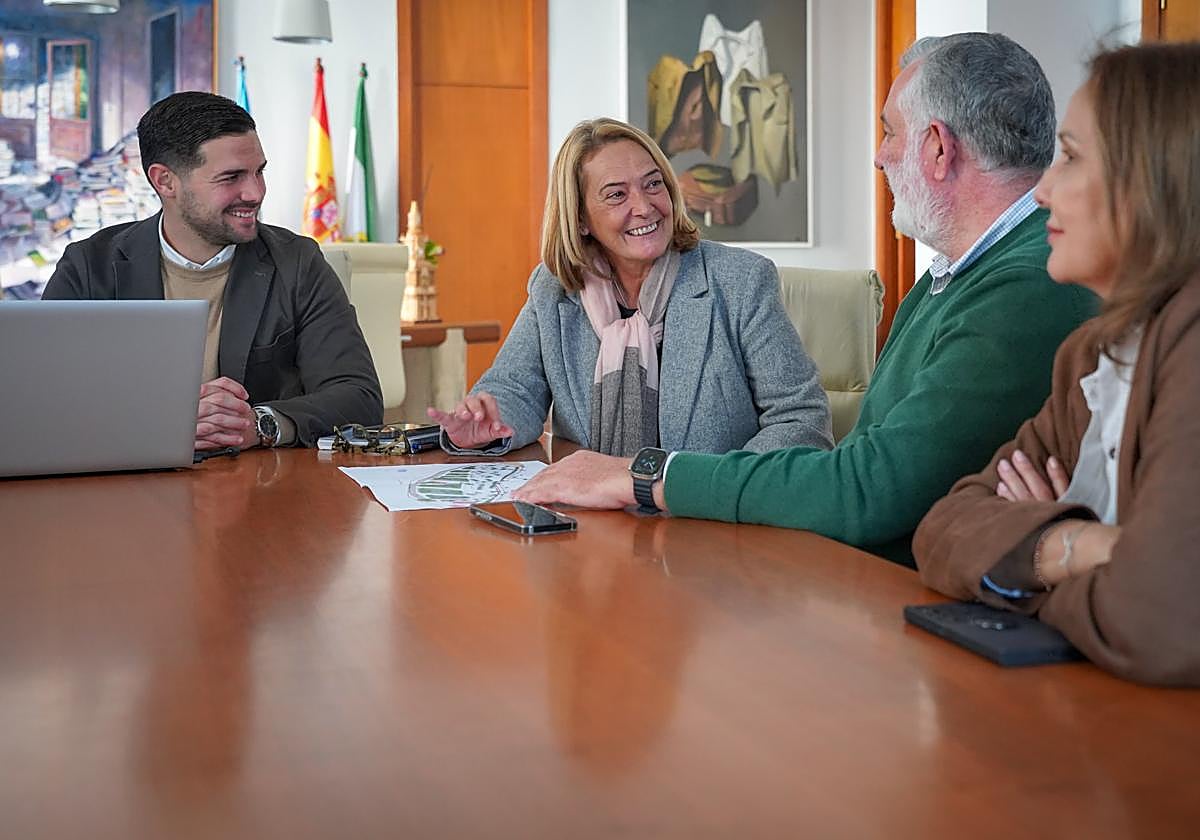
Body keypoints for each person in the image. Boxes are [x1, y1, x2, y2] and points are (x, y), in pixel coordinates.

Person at [515, 33, 1097, 565]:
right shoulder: (950, 276)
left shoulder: (1023, 286)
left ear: (939, 149)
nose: (879, 156)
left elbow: (868, 489)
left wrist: (643, 476)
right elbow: (879, 478)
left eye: (889, 131)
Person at [914, 43, 1200, 685]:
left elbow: (1163, 616)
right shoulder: (1094, 355)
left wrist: (1025, 560)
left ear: (1157, 178)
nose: (1041, 191)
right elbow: (942, 529)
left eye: (1069, 157)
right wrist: (1079, 544)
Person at [427, 117, 833, 460]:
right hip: (595, 522)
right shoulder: (553, 290)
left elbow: (801, 419)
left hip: (708, 521)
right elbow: (515, 387)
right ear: (581, 218)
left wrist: (702, 486)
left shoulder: (739, 281)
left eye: (653, 184)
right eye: (617, 194)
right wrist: (487, 418)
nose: (644, 206)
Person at [43, 91, 382, 449]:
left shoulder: (297, 262)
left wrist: (260, 423)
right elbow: (41, 399)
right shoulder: (88, 267)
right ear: (165, 182)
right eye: (231, 177)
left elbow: (358, 397)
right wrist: (162, 421)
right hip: (125, 486)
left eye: (259, 172)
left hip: (260, 490)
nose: (254, 192)